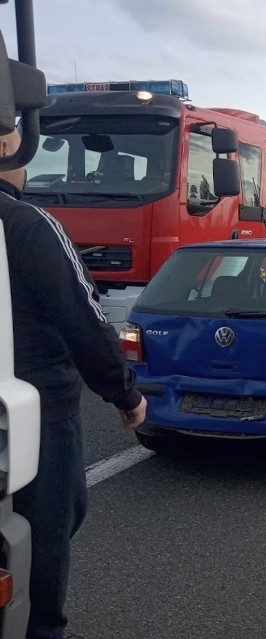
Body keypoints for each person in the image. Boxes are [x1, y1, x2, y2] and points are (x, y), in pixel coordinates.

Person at [0, 128, 147, 639]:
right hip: (35, 410)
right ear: (4, 146)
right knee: (48, 531)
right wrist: (124, 393)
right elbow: (83, 318)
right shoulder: (28, 225)